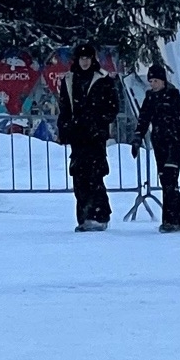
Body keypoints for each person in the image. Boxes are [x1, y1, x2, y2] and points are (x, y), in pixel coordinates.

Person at [59, 44, 123, 232]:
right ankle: (84, 217)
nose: (85, 61)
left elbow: (113, 107)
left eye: (88, 58)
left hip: (95, 136)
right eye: (82, 58)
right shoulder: (69, 79)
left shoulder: (103, 79)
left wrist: (98, 123)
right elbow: (64, 108)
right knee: (79, 177)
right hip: (77, 135)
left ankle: (99, 215)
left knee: (95, 175)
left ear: (93, 59)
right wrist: (65, 128)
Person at [132, 62, 180, 232]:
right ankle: (177, 218)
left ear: (163, 80)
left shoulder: (173, 95)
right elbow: (144, 118)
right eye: (151, 81)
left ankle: (171, 219)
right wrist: (137, 137)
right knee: (166, 181)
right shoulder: (150, 97)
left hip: (174, 142)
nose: (153, 84)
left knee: (170, 179)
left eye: (156, 81)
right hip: (159, 142)